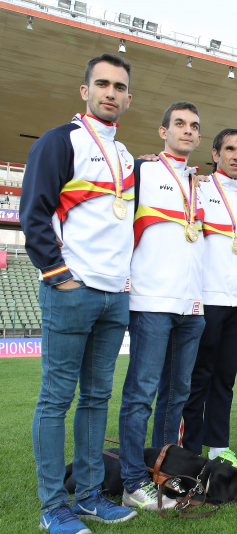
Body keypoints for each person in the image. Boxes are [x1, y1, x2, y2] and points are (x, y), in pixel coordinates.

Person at [21, 54, 139, 532]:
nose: (111, 93)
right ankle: (54, 507)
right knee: (56, 399)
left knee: (95, 400)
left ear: (129, 99)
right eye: (103, 84)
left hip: (115, 295)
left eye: (120, 87)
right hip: (73, 289)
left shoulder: (127, 155)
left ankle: (90, 497)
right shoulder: (60, 141)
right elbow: (34, 215)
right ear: (85, 90)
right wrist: (59, 276)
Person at [117, 101, 206, 511]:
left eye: (194, 127)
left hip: (192, 306)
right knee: (141, 394)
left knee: (176, 395)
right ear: (162, 131)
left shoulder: (197, 183)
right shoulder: (143, 171)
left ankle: (163, 473)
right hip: (151, 301)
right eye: (180, 125)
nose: (187, 131)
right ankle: (132, 480)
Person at [181, 128, 237, 473]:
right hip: (207, 299)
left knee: (225, 377)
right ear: (215, 153)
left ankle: (219, 447)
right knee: (200, 376)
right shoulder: (197, 187)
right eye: (230, 149)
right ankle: (190, 449)